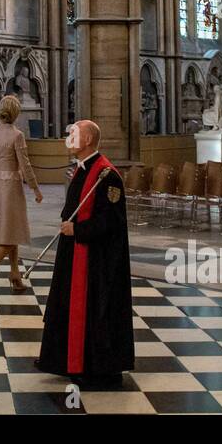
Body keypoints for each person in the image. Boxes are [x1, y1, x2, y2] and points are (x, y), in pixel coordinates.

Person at [35, 120, 133, 386]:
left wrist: (77, 230)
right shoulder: (81, 170)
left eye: (73, 134)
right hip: (74, 251)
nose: (68, 138)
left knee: (95, 310)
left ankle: (96, 366)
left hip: (95, 260)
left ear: (88, 139)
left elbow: (111, 221)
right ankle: (64, 360)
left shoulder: (107, 175)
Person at [0, 95, 43, 291]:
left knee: (11, 229)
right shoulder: (17, 135)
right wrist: (35, 188)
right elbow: (25, 165)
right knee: (9, 235)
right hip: (11, 185)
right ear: (16, 113)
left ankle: (15, 274)